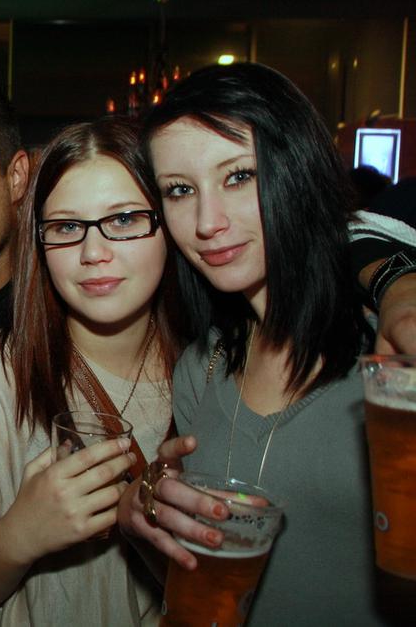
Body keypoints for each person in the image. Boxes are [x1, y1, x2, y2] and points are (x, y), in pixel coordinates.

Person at [117, 62, 416, 625]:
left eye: (239, 176)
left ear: (296, 169)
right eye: (180, 190)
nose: (207, 221)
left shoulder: (391, 358)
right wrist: (141, 518)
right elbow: (203, 577)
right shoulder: (201, 368)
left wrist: (396, 280)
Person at [0, 117, 178, 625]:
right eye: (66, 227)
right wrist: (19, 535)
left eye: (125, 219)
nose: (94, 253)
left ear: (168, 223)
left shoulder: (214, 372)